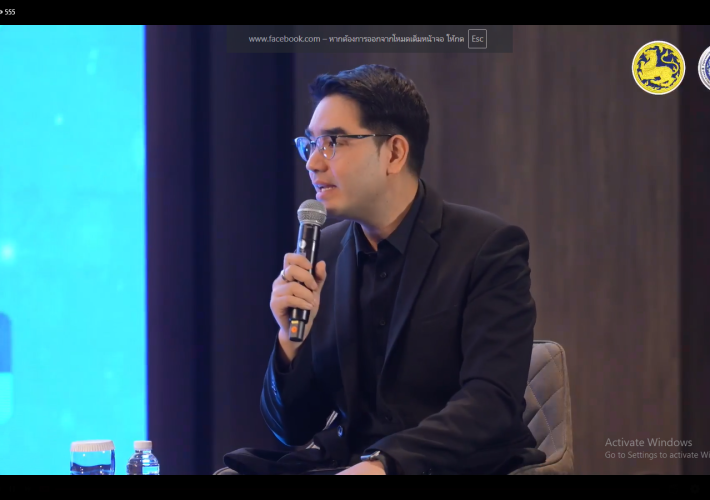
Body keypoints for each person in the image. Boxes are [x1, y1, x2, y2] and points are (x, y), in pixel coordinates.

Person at [222, 64, 543, 475]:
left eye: (333, 142)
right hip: (346, 464)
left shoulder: (487, 246)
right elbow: (292, 428)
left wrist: (386, 463)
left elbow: (491, 401)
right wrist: (290, 342)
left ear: (394, 153)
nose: (313, 162)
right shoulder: (326, 251)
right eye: (310, 144)